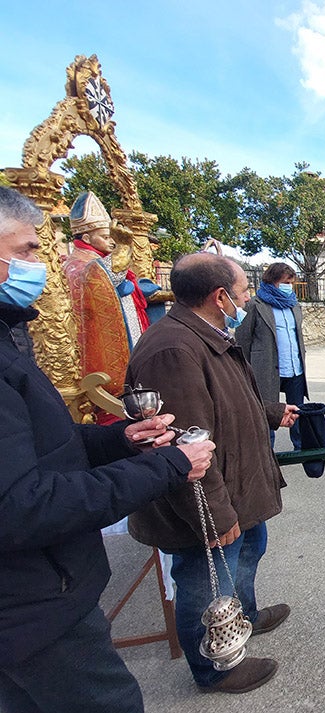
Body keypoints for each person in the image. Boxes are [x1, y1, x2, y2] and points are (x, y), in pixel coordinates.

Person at [0, 186, 216, 713]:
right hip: (34, 605)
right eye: (27, 250)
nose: (40, 263)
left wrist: (119, 439)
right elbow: (22, 503)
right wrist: (168, 465)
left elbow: (43, 444)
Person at [126, 253, 298, 695]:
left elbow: (223, 401)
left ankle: (245, 615)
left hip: (235, 485)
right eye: (242, 291)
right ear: (220, 297)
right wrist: (218, 516)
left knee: (249, 547)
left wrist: (269, 411)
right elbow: (185, 446)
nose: (247, 299)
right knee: (205, 579)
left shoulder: (205, 333)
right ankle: (214, 669)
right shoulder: (173, 350)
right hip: (207, 500)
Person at [62, 190, 151, 422]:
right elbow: (99, 278)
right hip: (95, 360)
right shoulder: (79, 265)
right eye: (105, 236)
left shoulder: (95, 262)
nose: (111, 241)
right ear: (87, 237)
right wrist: (123, 249)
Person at [236, 262, 308, 450]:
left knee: (297, 412)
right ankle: (267, 451)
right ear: (272, 281)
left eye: (291, 283)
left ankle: (300, 447)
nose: (288, 287)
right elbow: (243, 340)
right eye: (285, 282)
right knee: (267, 412)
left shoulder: (294, 304)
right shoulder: (254, 305)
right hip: (266, 369)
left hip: (294, 368)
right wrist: (245, 370)